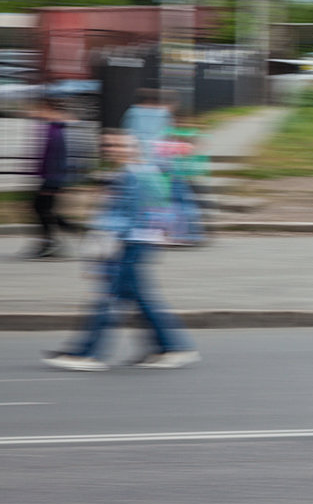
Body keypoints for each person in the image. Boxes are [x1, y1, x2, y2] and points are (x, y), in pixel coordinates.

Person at [42, 130, 199, 372]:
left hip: (129, 244)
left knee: (107, 299)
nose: (112, 149)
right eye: (109, 145)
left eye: (119, 145)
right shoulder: (128, 174)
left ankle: (89, 353)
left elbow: (140, 215)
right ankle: (170, 347)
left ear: (134, 148)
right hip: (130, 243)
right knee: (139, 299)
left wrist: (105, 242)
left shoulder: (137, 175)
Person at [27, 97, 83, 258]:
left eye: (42, 108)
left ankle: (54, 241)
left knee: (41, 208)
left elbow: (59, 158)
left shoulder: (57, 130)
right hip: (50, 176)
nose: (38, 112)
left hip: (53, 177)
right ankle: (52, 241)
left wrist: (52, 184)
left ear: (50, 109)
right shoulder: (52, 127)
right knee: (43, 209)